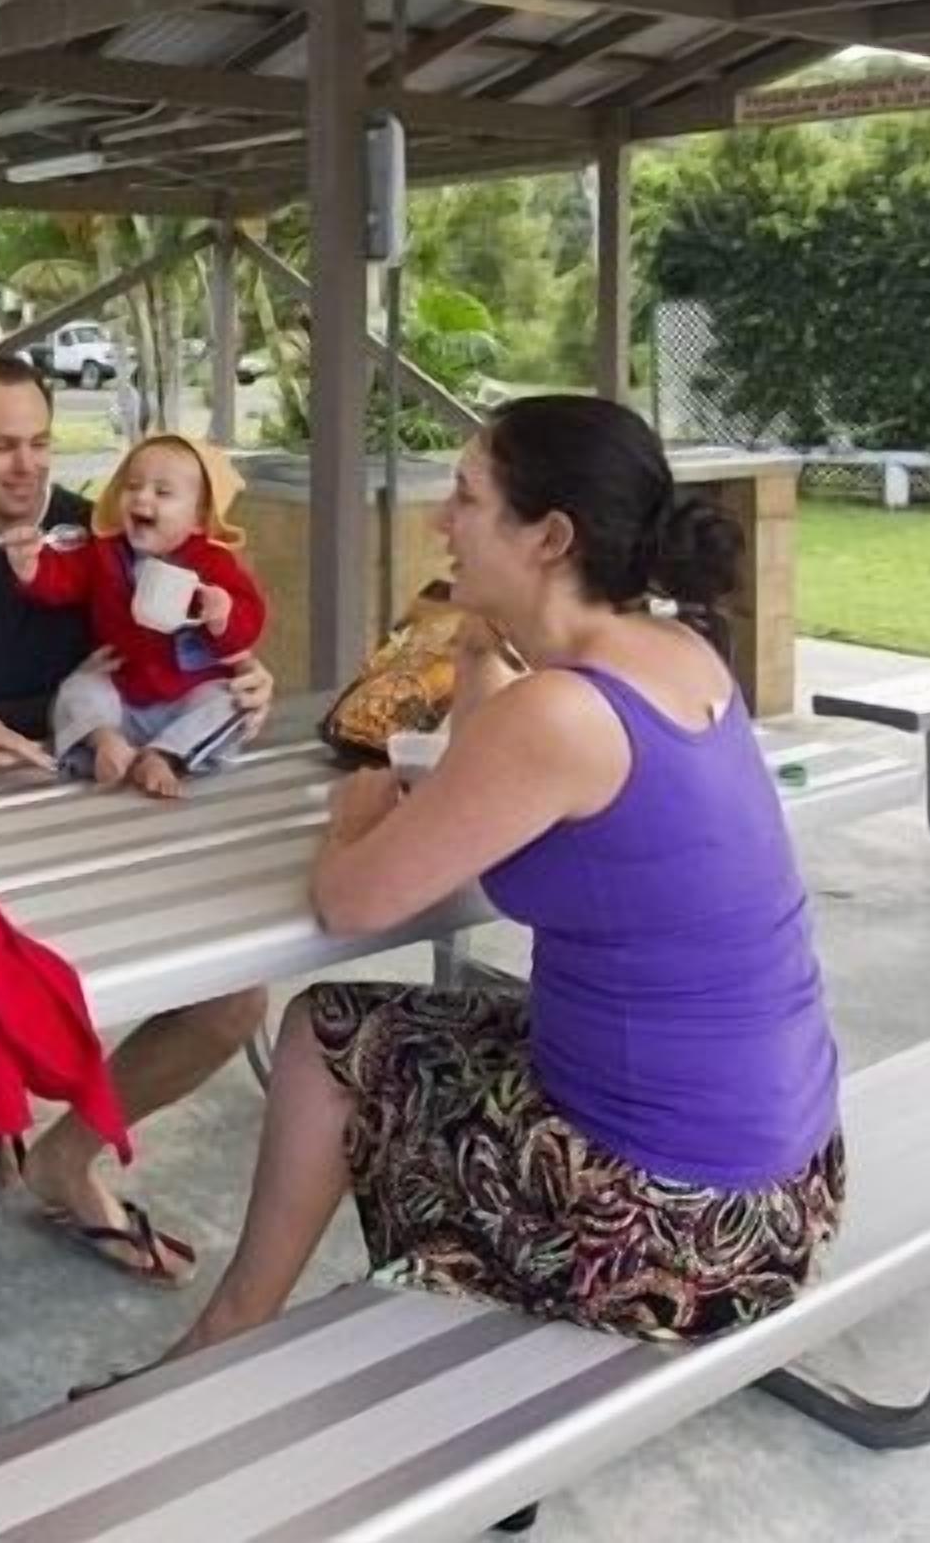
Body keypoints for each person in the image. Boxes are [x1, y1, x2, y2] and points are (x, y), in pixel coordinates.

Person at [142, 393, 845, 1377]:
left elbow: (352, 899)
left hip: (676, 1227)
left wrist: (352, 821)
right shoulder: (681, 652)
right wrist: (478, 645)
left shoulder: (562, 714)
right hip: (787, 1179)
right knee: (370, 1036)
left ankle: (231, 1336)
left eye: (467, 498)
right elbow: (494, 759)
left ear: (550, 537)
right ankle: (262, 1328)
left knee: (330, 1037)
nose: (440, 520)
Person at [0, 354, 278, 1284]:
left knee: (234, 998)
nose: (28, 466)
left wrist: (247, 676)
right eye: (2, 446)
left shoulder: (110, 532)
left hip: (107, 802)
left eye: (41, 443)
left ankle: (66, 1154)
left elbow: (205, 630)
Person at [4, 432, 268, 800]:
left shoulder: (215, 563)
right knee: (77, 689)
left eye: (163, 492)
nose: (142, 497)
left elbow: (249, 620)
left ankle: (163, 756)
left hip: (189, 692)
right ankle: (105, 742)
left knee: (232, 704)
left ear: (199, 516)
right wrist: (32, 569)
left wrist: (223, 613)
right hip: (121, 690)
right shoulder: (106, 552)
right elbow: (63, 580)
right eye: (132, 486)